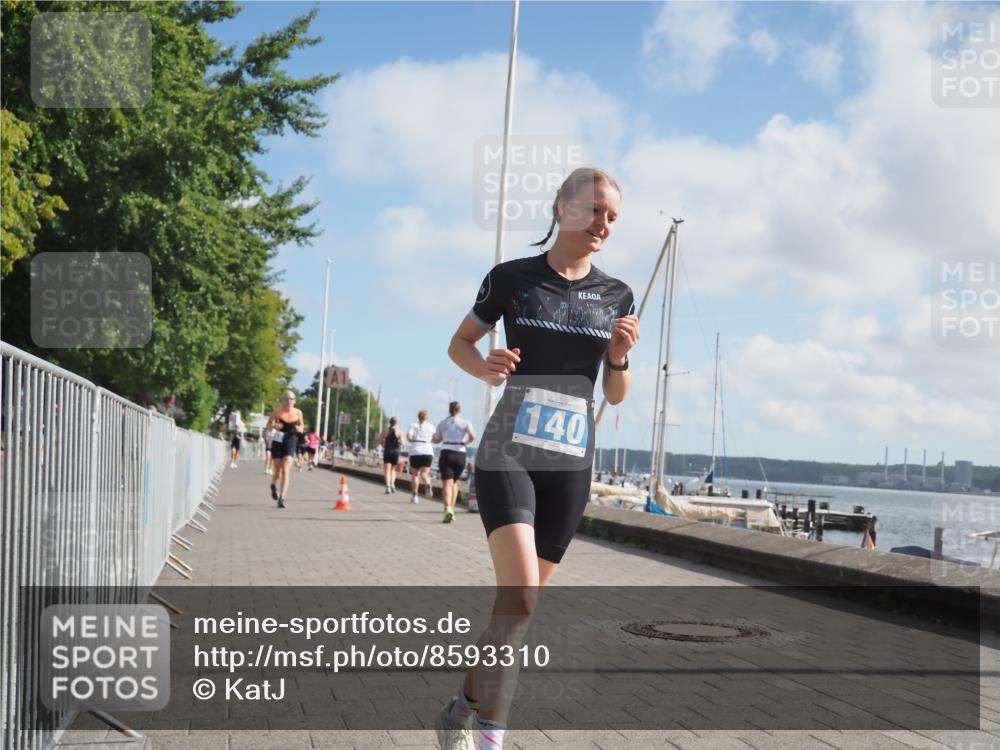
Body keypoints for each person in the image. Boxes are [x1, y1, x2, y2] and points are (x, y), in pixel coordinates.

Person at [439, 167, 639, 750]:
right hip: (509, 452)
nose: (603, 224)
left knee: (517, 610)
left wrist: (620, 357)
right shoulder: (512, 279)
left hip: (571, 465)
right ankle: (490, 738)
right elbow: (461, 342)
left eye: (612, 217)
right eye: (595, 210)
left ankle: (461, 704)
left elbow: (615, 393)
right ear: (563, 207)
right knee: (521, 595)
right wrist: (485, 367)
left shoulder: (617, 295)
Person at [432, 402, 476, 524]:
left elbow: (436, 439)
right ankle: (452, 508)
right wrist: (465, 443)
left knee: (447, 484)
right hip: (460, 453)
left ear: (449, 410)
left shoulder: (443, 423)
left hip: (446, 451)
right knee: (455, 482)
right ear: (459, 410)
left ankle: (448, 509)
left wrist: (434, 438)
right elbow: (473, 436)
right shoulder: (465, 422)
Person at [267, 390, 304, 508]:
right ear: (283, 400)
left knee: (286, 469)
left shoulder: (298, 413)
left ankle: (282, 498)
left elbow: (302, 426)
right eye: (287, 398)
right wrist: (274, 425)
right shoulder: (277, 411)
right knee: (278, 473)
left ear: (295, 401)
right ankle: (273, 485)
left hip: (291, 440)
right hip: (278, 440)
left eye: (291, 399)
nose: (289, 401)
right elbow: (268, 424)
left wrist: (300, 428)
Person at [407, 410, 435, 504]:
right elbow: (435, 438)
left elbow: (409, 437)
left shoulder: (413, 425)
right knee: (424, 474)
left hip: (415, 450)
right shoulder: (431, 426)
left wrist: (413, 439)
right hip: (427, 451)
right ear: (427, 417)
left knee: (415, 475)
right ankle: (427, 484)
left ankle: (415, 496)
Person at [378, 417, 403, 493]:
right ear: (396, 423)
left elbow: (381, 441)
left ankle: (388, 486)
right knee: (393, 469)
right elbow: (402, 443)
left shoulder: (385, 430)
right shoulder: (399, 431)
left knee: (387, 470)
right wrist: (398, 441)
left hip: (387, 451)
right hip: (395, 452)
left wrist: (384, 443)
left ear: (390, 422)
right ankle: (392, 484)